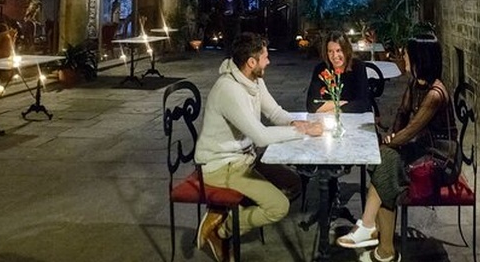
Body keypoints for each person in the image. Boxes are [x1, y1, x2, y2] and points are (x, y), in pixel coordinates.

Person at [195, 32, 323, 262]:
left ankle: (228, 209)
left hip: (245, 158)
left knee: (293, 183)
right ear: (251, 62)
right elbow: (261, 136)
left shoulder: (254, 80)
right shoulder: (229, 90)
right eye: (265, 57)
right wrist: (300, 132)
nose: (269, 61)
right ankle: (221, 230)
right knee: (279, 207)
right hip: (221, 166)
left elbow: (273, 112)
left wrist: (295, 122)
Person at [336, 33, 456, 262]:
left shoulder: (435, 93)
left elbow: (413, 129)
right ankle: (383, 248)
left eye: (407, 53)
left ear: (420, 58)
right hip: (421, 146)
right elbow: (402, 115)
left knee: (386, 162)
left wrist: (390, 141)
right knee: (386, 166)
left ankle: (373, 233)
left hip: (440, 157)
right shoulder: (415, 83)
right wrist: (392, 133)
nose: (403, 57)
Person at [305, 31, 371, 114]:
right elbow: (311, 106)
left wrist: (336, 110)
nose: (335, 56)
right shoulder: (321, 69)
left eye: (338, 50)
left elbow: (362, 103)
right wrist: (344, 103)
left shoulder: (358, 66)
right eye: (330, 51)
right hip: (328, 120)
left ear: (346, 50)